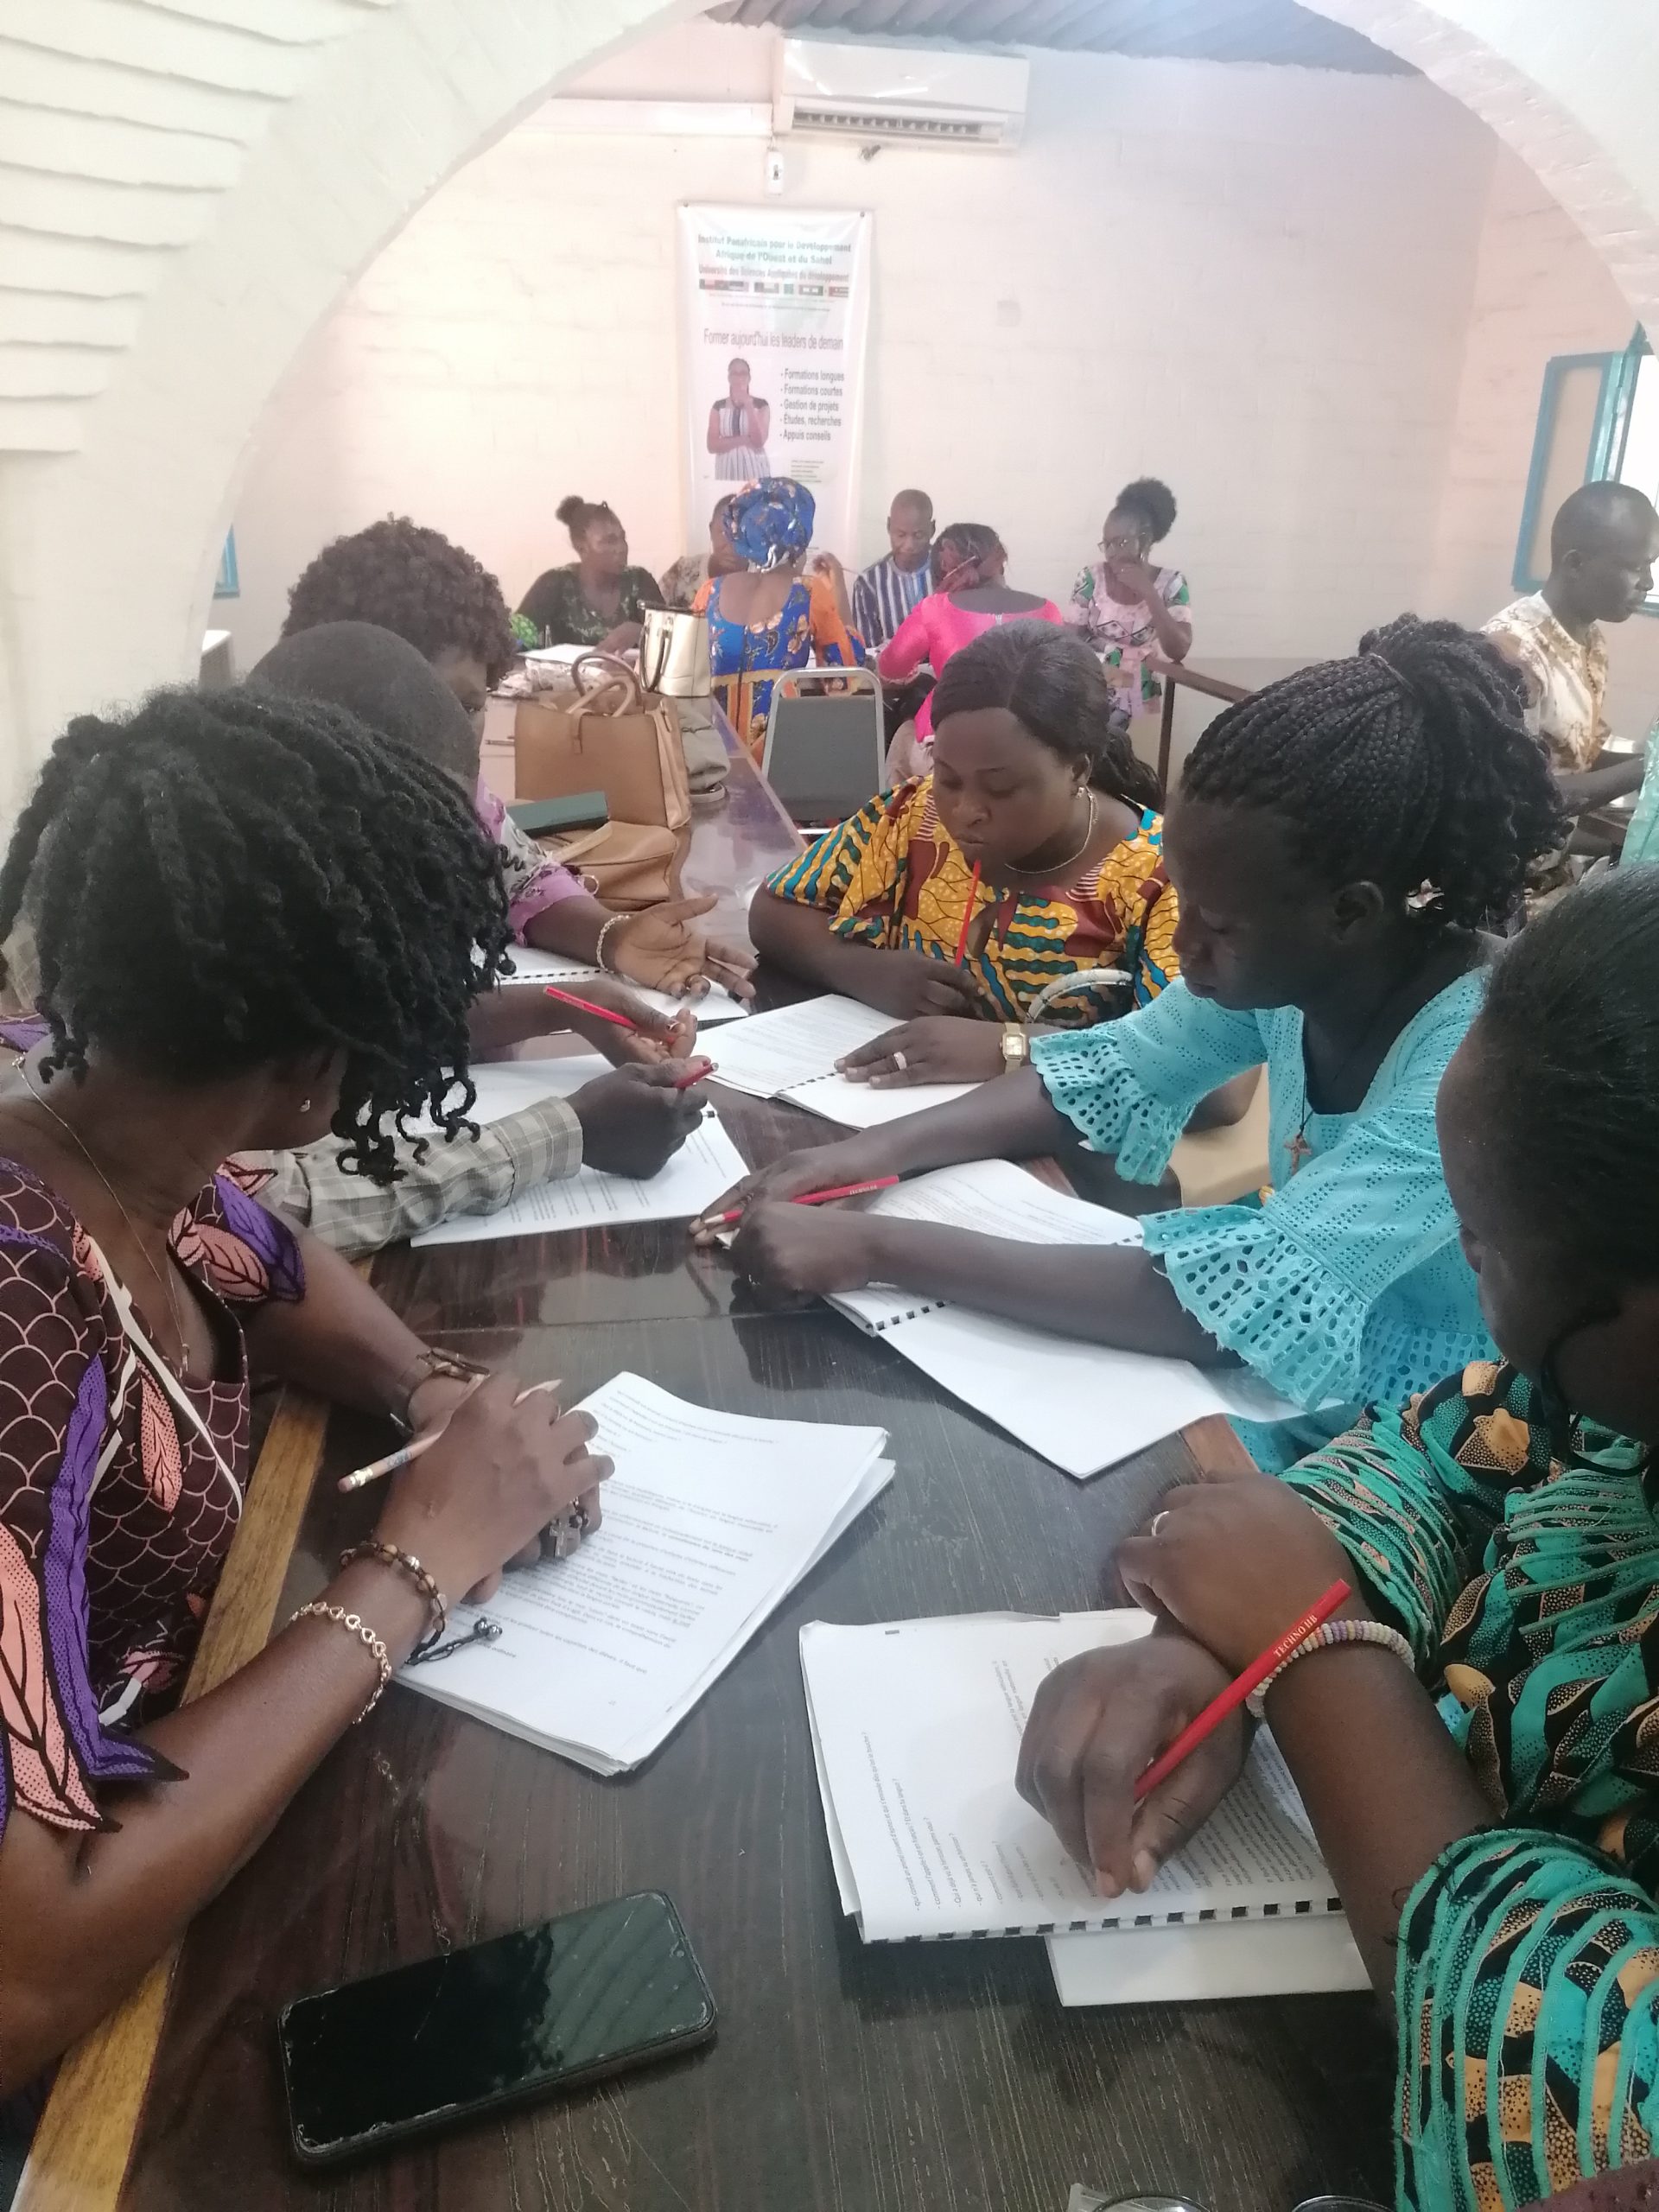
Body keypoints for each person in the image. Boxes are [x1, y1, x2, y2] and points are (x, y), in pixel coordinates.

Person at [0, 684, 613, 2102]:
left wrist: (425, 1387)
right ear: (314, 1069)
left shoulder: (95, 1131)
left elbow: (265, 1265)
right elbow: (25, 1975)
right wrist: (414, 1568)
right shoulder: (18, 1331)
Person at [1014, 867, 1659, 2212]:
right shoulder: (1603, 1392)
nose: (1476, 1292)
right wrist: (1211, 1642)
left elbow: (1592, 2114)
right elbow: (1456, 1451)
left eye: (1483, 1249)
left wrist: (1311, 1655)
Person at [697, 617, 1566, 1471]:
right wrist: (862, 1157)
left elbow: (1234, 1304)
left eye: (1216, 925)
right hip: (1305, 1381)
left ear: (1350, 911)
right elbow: (1098, 1069)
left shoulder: (1477, 1061)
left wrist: (875, 1248)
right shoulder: (1306, 967)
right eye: (1183, 901)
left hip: (1436, 1439)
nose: (1184, 946)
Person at [234, 625, 707, 1251]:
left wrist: (565, 1004)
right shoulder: (208, 1009)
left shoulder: (290, 884)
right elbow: (276, 1207)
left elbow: (387, 1012)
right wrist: (570, 1131)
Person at [279, 521, 755, 1004]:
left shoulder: (464, 802)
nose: (454, 734)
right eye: (430, 705)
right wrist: (556, 1009)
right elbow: (372, 1014)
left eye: (470, 706)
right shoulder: (287, 840)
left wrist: (613, 936)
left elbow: (522, 878)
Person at [752, 626, 1179, 1069]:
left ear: (1077, 771)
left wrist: (1010, 1049)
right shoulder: (914, 816)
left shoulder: (1160, 876)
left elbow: (1199, 1067)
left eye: (1000, 788)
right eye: (949, 778)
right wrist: (858, 968)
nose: (965, 811)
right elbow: (772, 908)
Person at [1485, 483, 1659, 897]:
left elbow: (1577, 757)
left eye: (1651, 566)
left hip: (1549, 872)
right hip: (1495, 890)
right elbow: (1525, 800)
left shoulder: (1588, 639)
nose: (1648, 582)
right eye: (1635, 567)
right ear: (1576, 563)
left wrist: (1649, 758)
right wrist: (1649, 768)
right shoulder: (1512, 654)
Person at [693, 480, 864, 764]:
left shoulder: (709, 591)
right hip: (777, 752)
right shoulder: (808, 591)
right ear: (800, 540)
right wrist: (838, 590)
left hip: (711, 750)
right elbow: (844, 676)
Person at [877, 524, 1065, 781]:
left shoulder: (935, 608)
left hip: (950, 753)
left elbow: (890, 669)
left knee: (904, 736)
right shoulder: (1049, 611)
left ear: (943, 574)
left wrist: (924, 674)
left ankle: (903, 807)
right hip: (1028, 756)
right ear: (1000, 563)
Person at [1065, 477, 1192, 721]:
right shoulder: (1091, 578)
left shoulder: (1172, 583)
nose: (1112, 553)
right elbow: (1069, 640)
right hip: (1091, 689)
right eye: (1107, 544)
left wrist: (1149, 592)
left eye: (1121, 542)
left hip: (1138, 695)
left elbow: (1178, 650)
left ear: (1145, 540)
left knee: (1127, 743)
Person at [516, 495, 665, 653]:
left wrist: (642, 632)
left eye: (623, 538)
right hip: (571, 670)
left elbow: (673, 642)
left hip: (625, 670)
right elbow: (514, 640)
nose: (621, 548)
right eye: (609, 541)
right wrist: (521, 643)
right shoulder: (555, 583)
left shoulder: (639, 581)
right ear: (582, 548)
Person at [851, 489, 935, 653]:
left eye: (918, 535)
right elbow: (869, 652)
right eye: (901, 535)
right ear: (889, 526)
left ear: (932, 529)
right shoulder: (868, 583)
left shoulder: (951, 571)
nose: (909, 545)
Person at [660, 495, 741, 612]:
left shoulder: (760, 580)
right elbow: (652, 613)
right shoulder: (681, 572)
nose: (730, 545)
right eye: (723, 533)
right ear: (711, 530)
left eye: (738, 534)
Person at [707, 358, 771, 480]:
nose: (739, 378)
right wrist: (745, 439)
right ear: (729, 378)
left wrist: (748, 405)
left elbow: (758, 441)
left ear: (749, 378)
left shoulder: (761, 405)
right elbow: (712, 445)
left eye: (743, 373)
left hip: (755, 472)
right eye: (734, 374)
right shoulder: (718, 406)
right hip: (726, 471)